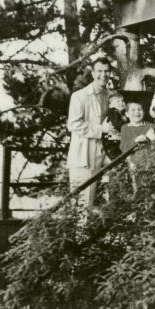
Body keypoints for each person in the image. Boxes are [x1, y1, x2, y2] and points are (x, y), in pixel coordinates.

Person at [66, 59, 112, 208]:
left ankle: (106, 230)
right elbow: (73, 124)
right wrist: (100, 130)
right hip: (84, 154)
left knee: (110, 193)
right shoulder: (80, 96)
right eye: (99, 71)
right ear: (93, 73)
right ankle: (80, 232)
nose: (103, 75)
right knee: (83, 201)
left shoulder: (109, 95)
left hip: (105, 152)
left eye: (106, 71)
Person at [119, 101, 155, 189]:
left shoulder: (151, 126)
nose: (137, 112)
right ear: (127, 114)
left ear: (143, 112)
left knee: (154, 189)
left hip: (152, 164)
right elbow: (123, 148)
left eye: (139, 109)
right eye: (133, 110)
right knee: (138, 190)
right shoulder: (125, 128)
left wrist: (154, 139)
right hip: (135, 164)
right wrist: (135, 141)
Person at [102, 92, 128, 161]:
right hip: (111, 143)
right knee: (118, 160)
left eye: (122, 101)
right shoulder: (113, 111)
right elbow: (118, 125)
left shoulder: (120, 113)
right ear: (110, 105)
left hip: (116, 141)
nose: (121, 103)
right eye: (118, 101)